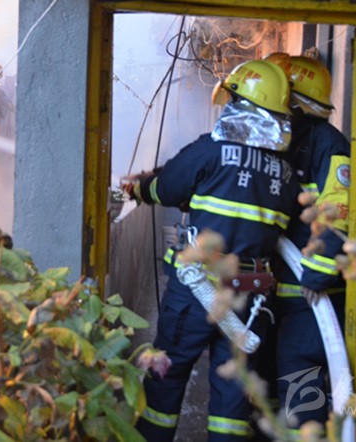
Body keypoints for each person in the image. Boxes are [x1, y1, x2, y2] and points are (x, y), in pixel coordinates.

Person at [122, 59, 301, 442]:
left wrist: (138, 188)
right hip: (250, 298)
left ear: (241, 105)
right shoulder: (286, 174)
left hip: (197, 290)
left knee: (166, 377)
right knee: (233, 396)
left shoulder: (210, 150)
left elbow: (167, 188)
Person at [265, 53, 351, 436]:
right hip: (282, 298)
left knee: (300, 385)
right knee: (275, 384)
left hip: (312, 303)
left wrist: (315, 275)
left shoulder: (327, 145)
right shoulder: (285, 142)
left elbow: (337, 212)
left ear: (295, 103)